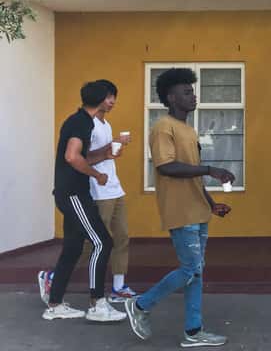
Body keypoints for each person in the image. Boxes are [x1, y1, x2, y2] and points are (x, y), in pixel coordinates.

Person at [124, 68, 235, 348]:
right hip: (180, 211)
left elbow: (192, 173)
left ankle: (193, 331)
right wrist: (210, 169)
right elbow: (167, 166)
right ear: (172, 98)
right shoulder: (163, 127)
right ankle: (140, 305)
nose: (193, 96)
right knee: (190, 269)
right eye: (187, 92)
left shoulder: (189, 130)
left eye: (192, 91)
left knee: (196, 272)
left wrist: (211, 204)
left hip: (197, 210)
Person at [38, 80, 136, 305]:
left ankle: (114, 288)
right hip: (87, 192)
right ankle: (91, 299)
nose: (112, 101)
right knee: (95, 243)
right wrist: (98, 173)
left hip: (105, 189)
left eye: (114, 97)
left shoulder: (97, 123)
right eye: (109, 97)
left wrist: (109, 152)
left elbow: (83, 156)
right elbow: (75, 157)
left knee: (113, 239)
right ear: (99, 99)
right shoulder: (81, 123)